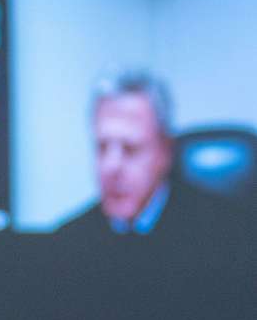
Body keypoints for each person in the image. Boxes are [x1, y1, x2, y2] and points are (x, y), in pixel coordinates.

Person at [58, 68, 235, 238]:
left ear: (165, 151)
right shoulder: (66, 242)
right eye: (102, 148)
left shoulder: (224, 232)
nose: (111, 166)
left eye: (130, 149)